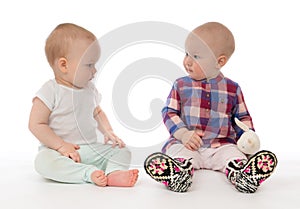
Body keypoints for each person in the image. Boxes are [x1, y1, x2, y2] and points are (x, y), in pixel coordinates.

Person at [144, 22, 277, 193]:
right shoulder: (181, 85)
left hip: (221, 145)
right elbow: (169, 112)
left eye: (196, 57)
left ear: (219, 61)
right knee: (180, 152)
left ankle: (243, 174)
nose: (187, 61)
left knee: (232, 155)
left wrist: (247, 138)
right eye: (187, 54)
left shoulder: (232, 88)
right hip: (189, 144)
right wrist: (183, 134)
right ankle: (179, 173)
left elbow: (242, 118)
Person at [29, 23, 138, 187]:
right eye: (89, 65)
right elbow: (36, 124)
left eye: (94, 65)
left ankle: (113, 173)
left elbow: (97, 112)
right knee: (43, 162)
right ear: (64, 65)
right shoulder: (51, 90)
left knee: (122, 150)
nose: (94, 71)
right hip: (58, 152)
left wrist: (108, 131)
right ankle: (87, 173)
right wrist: (61, 146)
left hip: (89, 150)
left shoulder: (90, 90)